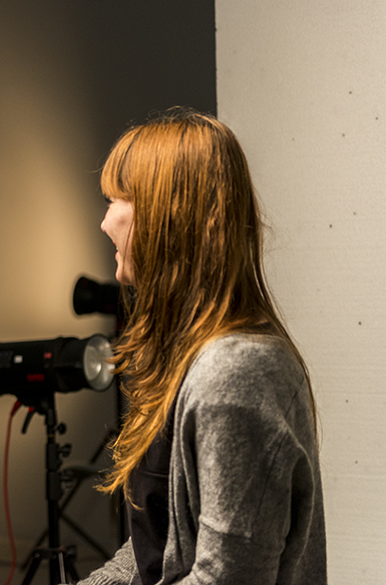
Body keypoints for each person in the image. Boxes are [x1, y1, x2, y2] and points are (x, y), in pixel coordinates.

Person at [80, 109, 325, 585]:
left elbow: (226, 576)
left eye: (119, 198)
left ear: (168, 216)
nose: (106, 220)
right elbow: (160, 545)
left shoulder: (237, 373)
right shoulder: (190, 358)